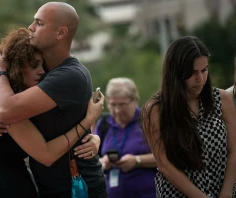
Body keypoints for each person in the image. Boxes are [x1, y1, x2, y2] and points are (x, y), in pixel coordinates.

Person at [0, 2, 107, 197]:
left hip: (78, 186)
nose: (31, 28)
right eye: (34, 65)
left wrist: (2, 72)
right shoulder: (41, 77)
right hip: (45, 187)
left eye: (39, 23)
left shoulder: (69, 75)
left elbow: (7, 112)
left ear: (61, 33)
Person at [140, 36, 236, 198]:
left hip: (223, 190)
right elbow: (164, 164)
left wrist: (226, 192)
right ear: (176, 73)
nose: (200, 79)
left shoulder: (222, 98)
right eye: (192, 73)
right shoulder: (155, 109)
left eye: (204, 70)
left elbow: (233, 151)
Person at [94, 77, 157, 198]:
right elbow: (92, 160)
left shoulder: (148, 121)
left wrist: (137, 161)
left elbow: (168, 157)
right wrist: (103, 163)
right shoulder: (103, 124)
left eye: (122, 104)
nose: (117, 110)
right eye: (112, 105)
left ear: (135, 100)